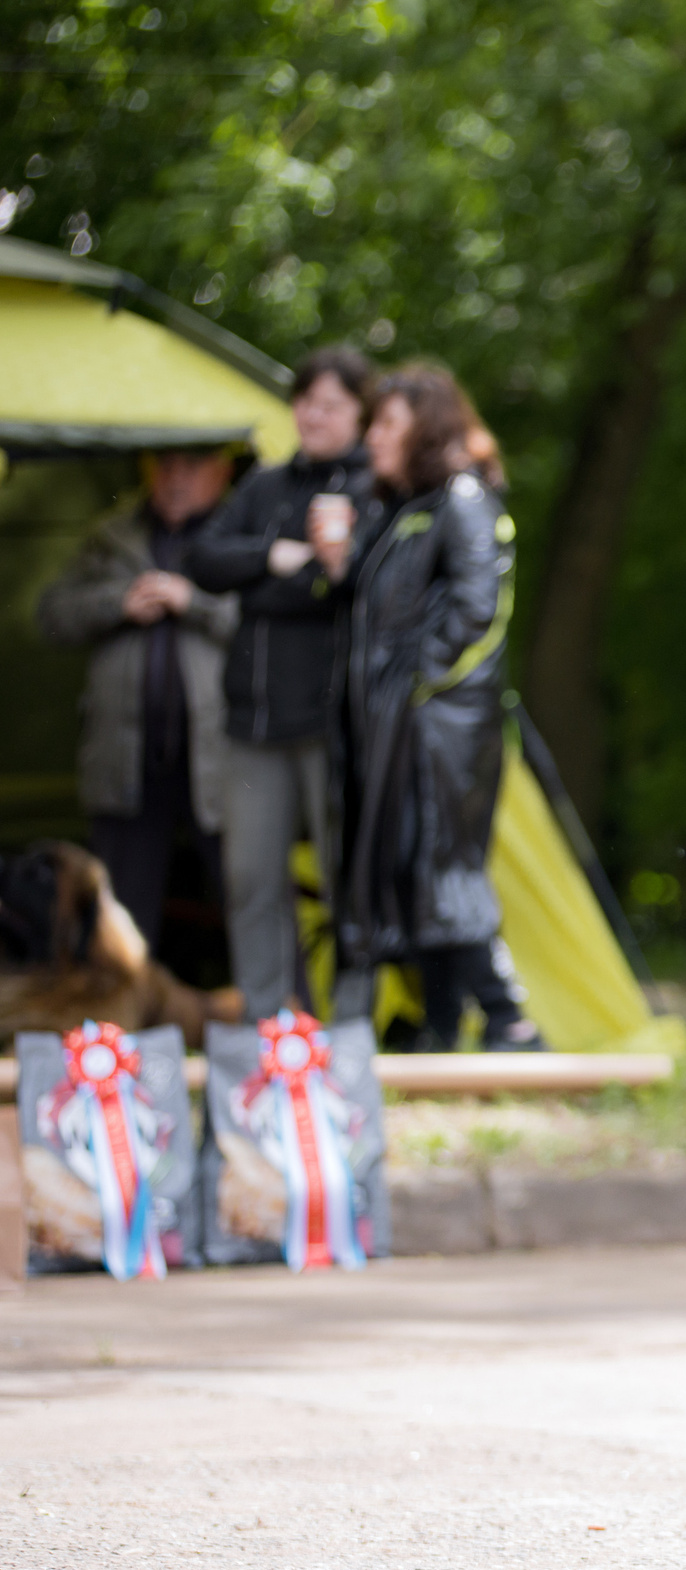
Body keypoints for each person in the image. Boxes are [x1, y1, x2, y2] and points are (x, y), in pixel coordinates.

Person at [321, 363, 541, 1052]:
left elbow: (480, 610)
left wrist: (419, 688)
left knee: (445, 866)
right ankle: (443, 1023)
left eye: (385, 423)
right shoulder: (406, 511)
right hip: (399, 729)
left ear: (426, 426)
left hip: (442, 731)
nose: (371, 438)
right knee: (413, 868)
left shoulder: (464, 501)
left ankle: (511, 1021)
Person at [185, 345, 373, 1018]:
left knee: (344, 880)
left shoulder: (370, 486)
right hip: (251, 721)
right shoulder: (263, 487)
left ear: (360, 414)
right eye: (304, 402)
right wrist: (273, 555)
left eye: (330, 405)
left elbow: (343, 589)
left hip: (330, 721)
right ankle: (270, 1028)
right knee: (250, 880)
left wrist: (271, 580)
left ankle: (350, 1025)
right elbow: (202, 558)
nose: (312, 415)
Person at [37, 447, 241, 965]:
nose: (175, 477)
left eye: (191, 466)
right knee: (119, 912)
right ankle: (112, 1040)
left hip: (221, 759)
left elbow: (269, 627)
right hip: (126, 758)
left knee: (249, 897)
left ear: (221, 473)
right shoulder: (112, 534)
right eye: (165, 465)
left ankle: (285, 1027)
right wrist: (117, 604)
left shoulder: (242, 531)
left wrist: (190, 602)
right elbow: (51, 616)